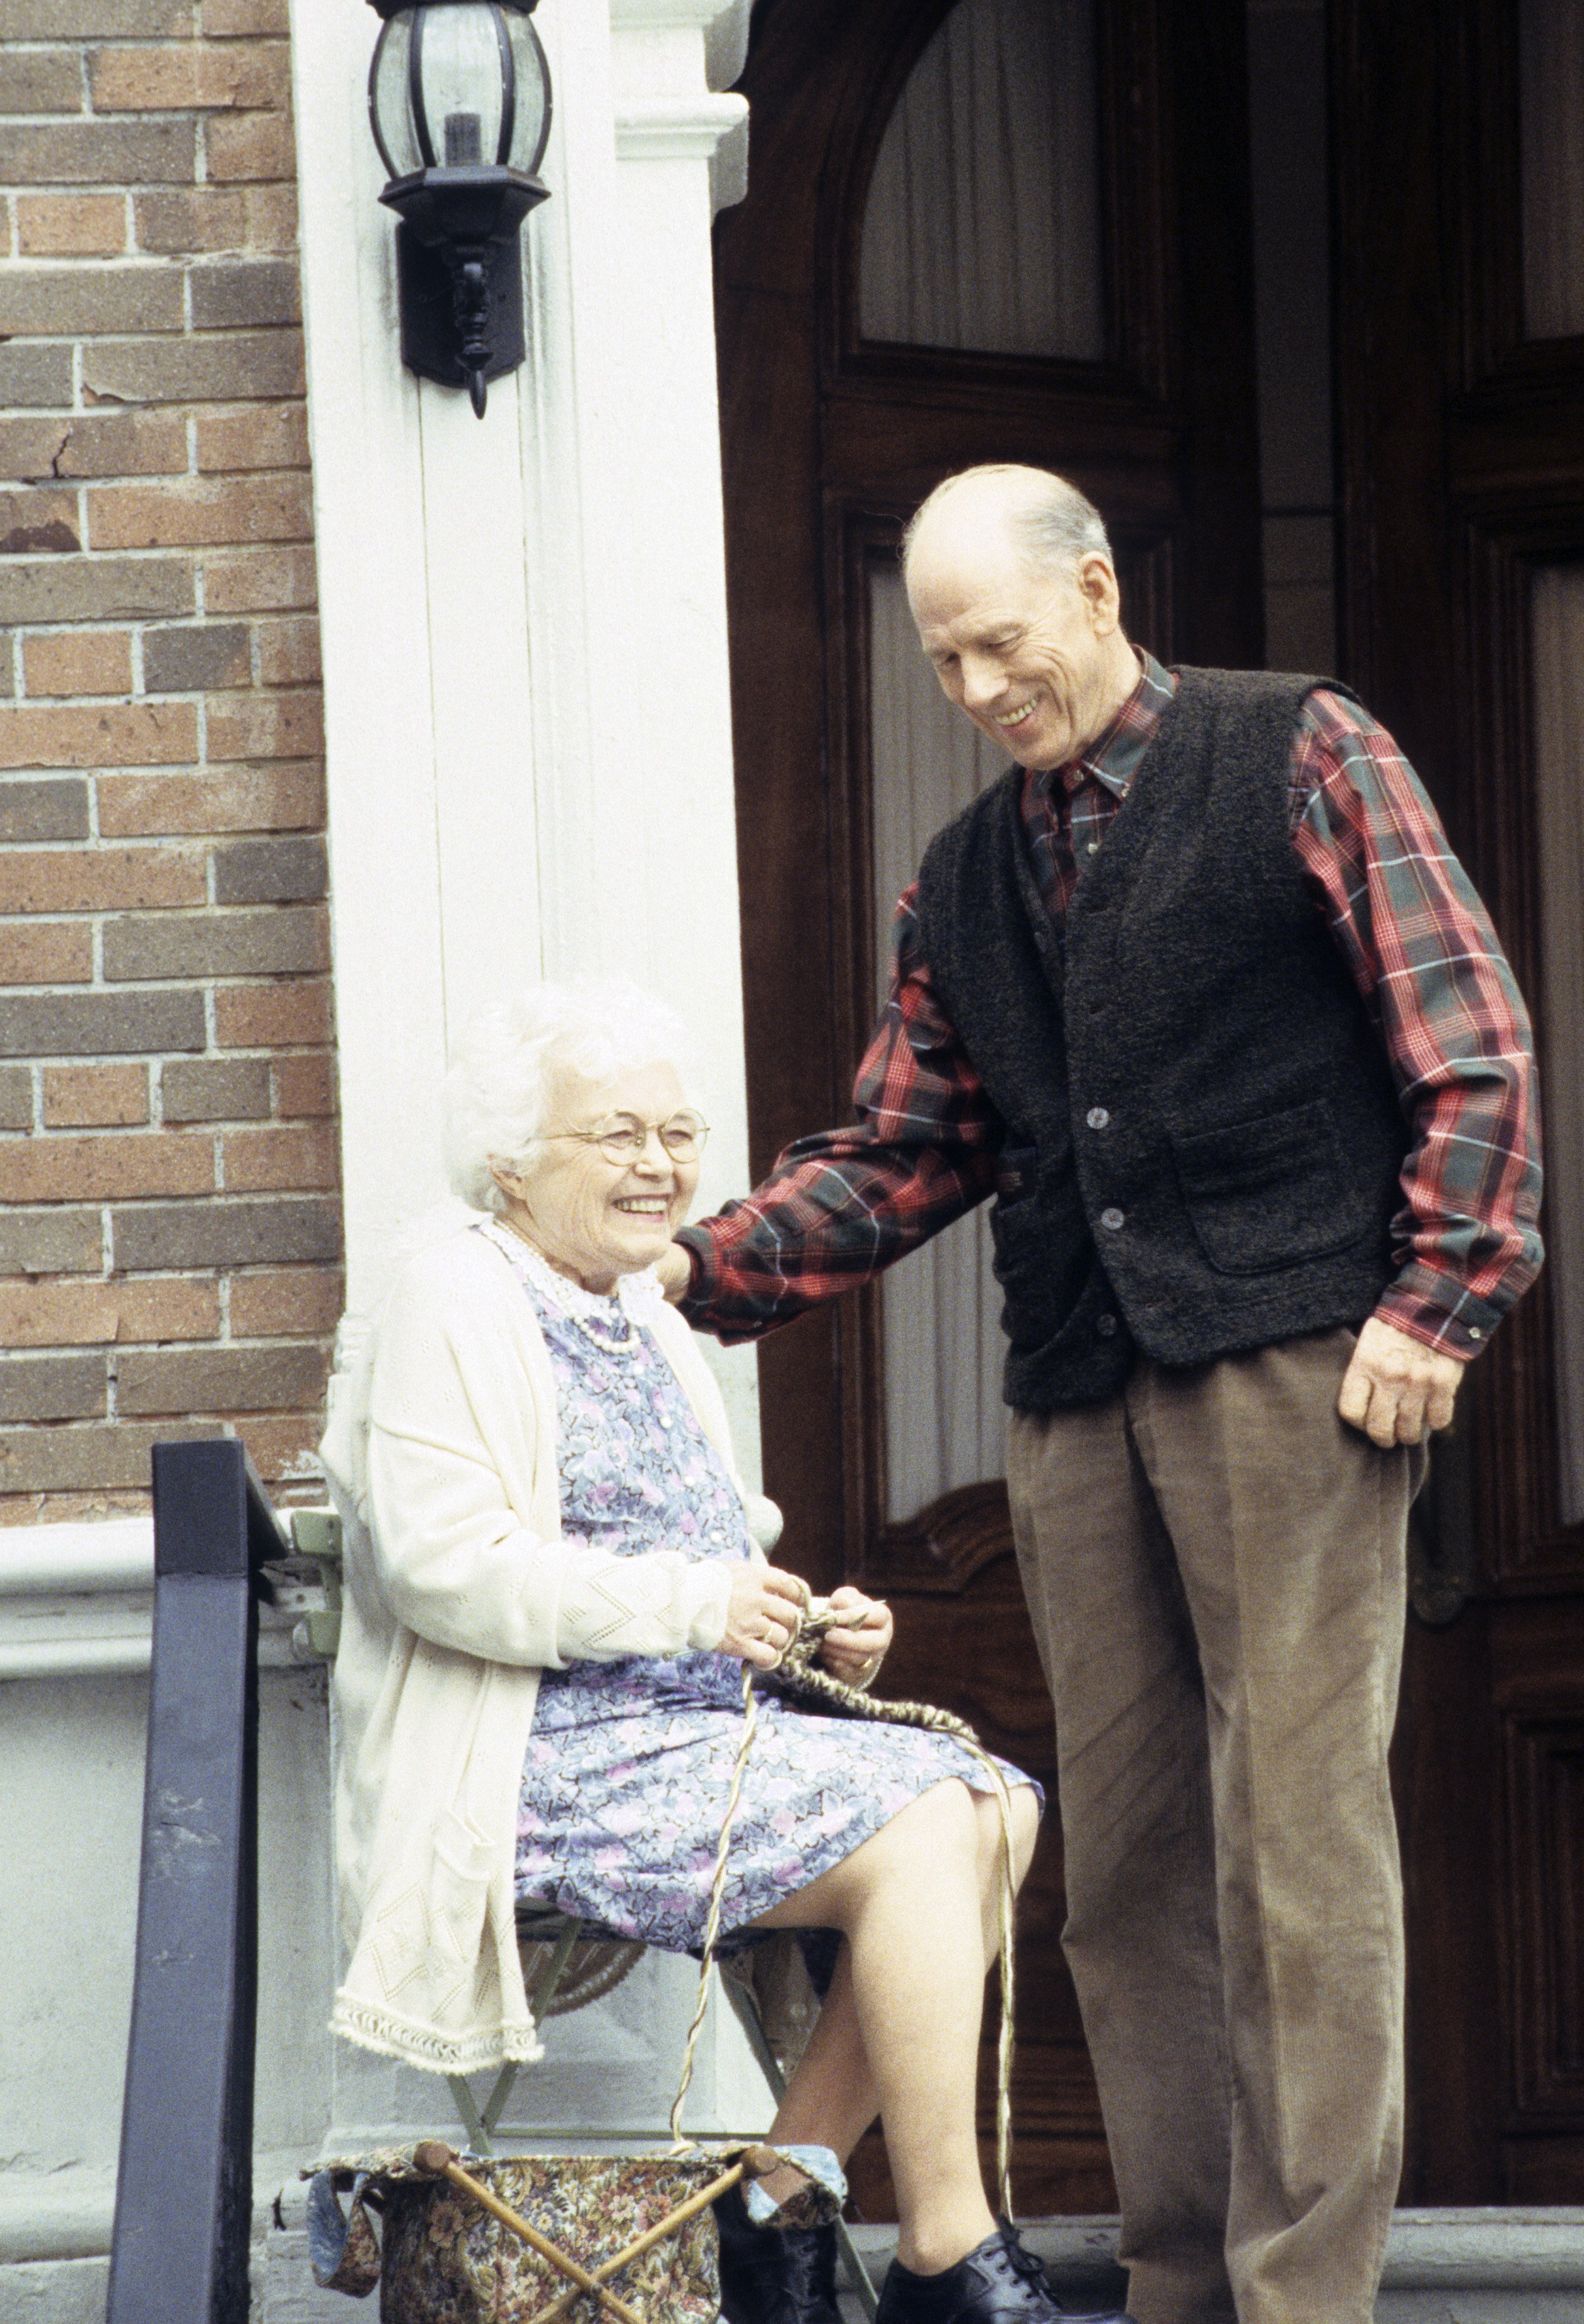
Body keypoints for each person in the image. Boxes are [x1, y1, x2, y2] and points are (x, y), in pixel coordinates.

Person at [657, 466, 1544, 2324]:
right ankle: (1180, 2278)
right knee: (1125, 1859)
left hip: (1303, 1363)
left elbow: (1469, 1048)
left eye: (1001, 640)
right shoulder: (969, 871)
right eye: (940, 656)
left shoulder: (1299, 747)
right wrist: (687, 1270)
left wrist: (1435, 1306)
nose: (976, 683)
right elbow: (906, 1146)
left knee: (1297, 1840)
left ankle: (1303, 2294)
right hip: (1076, 1390)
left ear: (1097, 585)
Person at [320, 980, 1119, 2324]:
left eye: (679, 1134)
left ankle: (778, 2203)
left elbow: (707, 1557)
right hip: (537, 1758)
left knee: (984, 1806)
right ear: (513, 1158)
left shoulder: (641, 1313)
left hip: (689, 1734)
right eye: (616, 1134)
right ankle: (934, 2245)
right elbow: (440, 1568)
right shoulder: (448, 1297)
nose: (660, 1165)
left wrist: (805, 1626)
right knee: (940, 1819)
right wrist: (698, 1605)